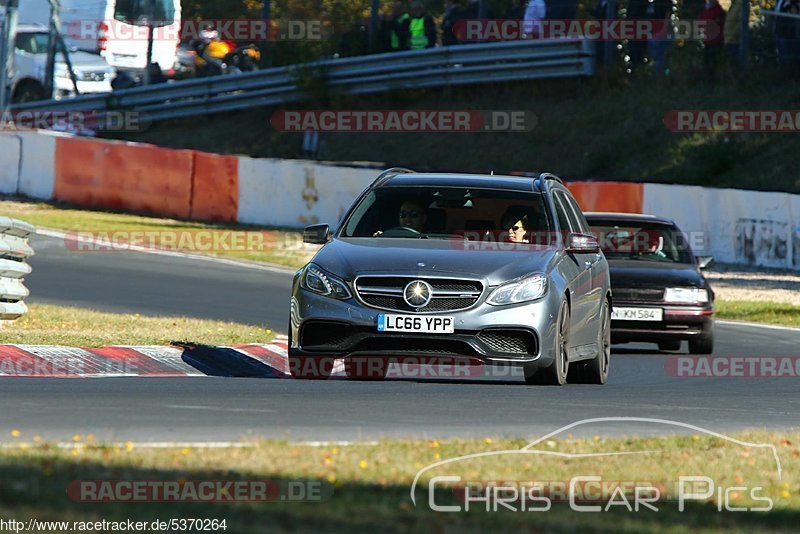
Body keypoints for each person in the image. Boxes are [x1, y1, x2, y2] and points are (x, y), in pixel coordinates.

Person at [699, 0, 726, 73]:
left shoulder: (717, 10)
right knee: (707, 61)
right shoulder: (706, 9)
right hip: (707, 40)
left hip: (715, 41)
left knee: (713, 61)